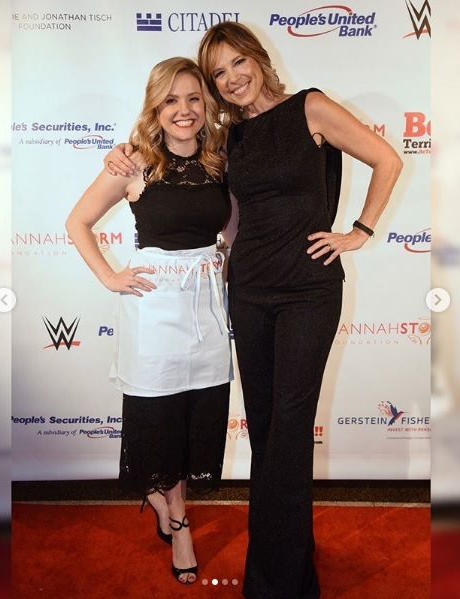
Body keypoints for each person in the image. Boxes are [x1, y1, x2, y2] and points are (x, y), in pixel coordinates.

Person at [104, 21, 403, 599]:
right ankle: (292, 557)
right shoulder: (230, 139)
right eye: (218, 73)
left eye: (237, 62)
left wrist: (359, 231)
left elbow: (387, 159)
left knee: (289, 430)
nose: (231, 78)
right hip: (249, 292)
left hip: (308, 291)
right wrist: (123, 152)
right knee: (266, 431)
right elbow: (178, 160)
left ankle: (277, 584)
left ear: (259, 59)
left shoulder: (310, 108)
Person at [66, 56, 234, 586]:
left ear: (206, 104)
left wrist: (229, 259)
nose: (184, 110)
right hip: (154, 307)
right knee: (159, 420)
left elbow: (232, 225)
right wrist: (109, 277)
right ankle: (178, 524)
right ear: (155, 108)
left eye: (193, 98)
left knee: (197, 415)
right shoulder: (135, 162)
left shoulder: (220, 158)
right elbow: (78, 222)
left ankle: (163, 500)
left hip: (207, 308)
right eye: (171, 100)